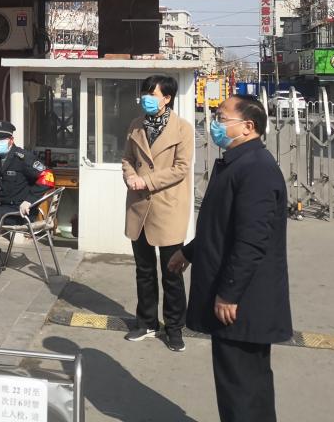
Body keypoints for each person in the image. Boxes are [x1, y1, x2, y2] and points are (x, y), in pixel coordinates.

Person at [168, 95, 292, 422]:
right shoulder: (237, 163)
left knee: (242, 391)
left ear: (248, 127)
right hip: (236, 297)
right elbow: (220, 227)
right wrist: (188, 252)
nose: (215, 124)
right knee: (242, 385)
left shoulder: (256, 170)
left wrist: (229, 293)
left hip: (243, 303)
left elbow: (252, 240)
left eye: (222, 118)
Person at [122, 74, 194, 353]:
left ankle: (174, 328)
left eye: (152, 94)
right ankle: (146, 322)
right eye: (145, 93)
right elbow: (128, 158)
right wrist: (130, 176)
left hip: (167, 207)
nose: (146, 99)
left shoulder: (183, 129)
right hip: (139, 206)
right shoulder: (135, 125)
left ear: (167, 98)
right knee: (143, 270)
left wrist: (146, 181)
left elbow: (181, 168)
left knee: (172, 271)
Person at [0, 121, 56, 276]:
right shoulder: (2, 157)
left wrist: (29, 200)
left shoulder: (22, 158)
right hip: (6, 207)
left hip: (19, 211)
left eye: (1, 140)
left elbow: (48, 177)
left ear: (11, 140)